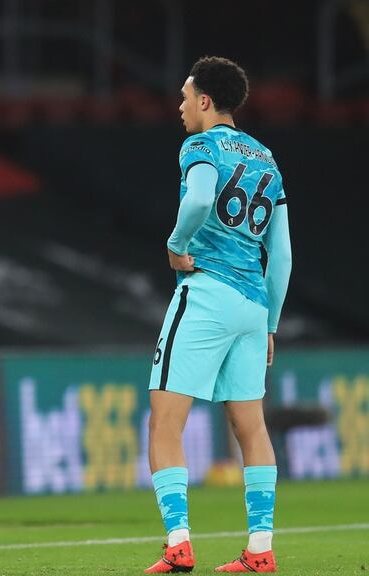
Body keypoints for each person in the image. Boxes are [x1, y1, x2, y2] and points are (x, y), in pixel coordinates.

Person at [145, 56, 291, 574]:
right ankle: (260, 549)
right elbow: (284, 252)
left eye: (186, 96)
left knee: (166, 421)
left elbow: (201, 197)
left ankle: (180, 543)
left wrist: (176, 243)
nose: (181, 106)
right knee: (251, 427)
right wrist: (271, 322)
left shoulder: (200, 146)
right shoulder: (267, 160)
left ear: (205, 101)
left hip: (206, 292)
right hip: (254, 305)